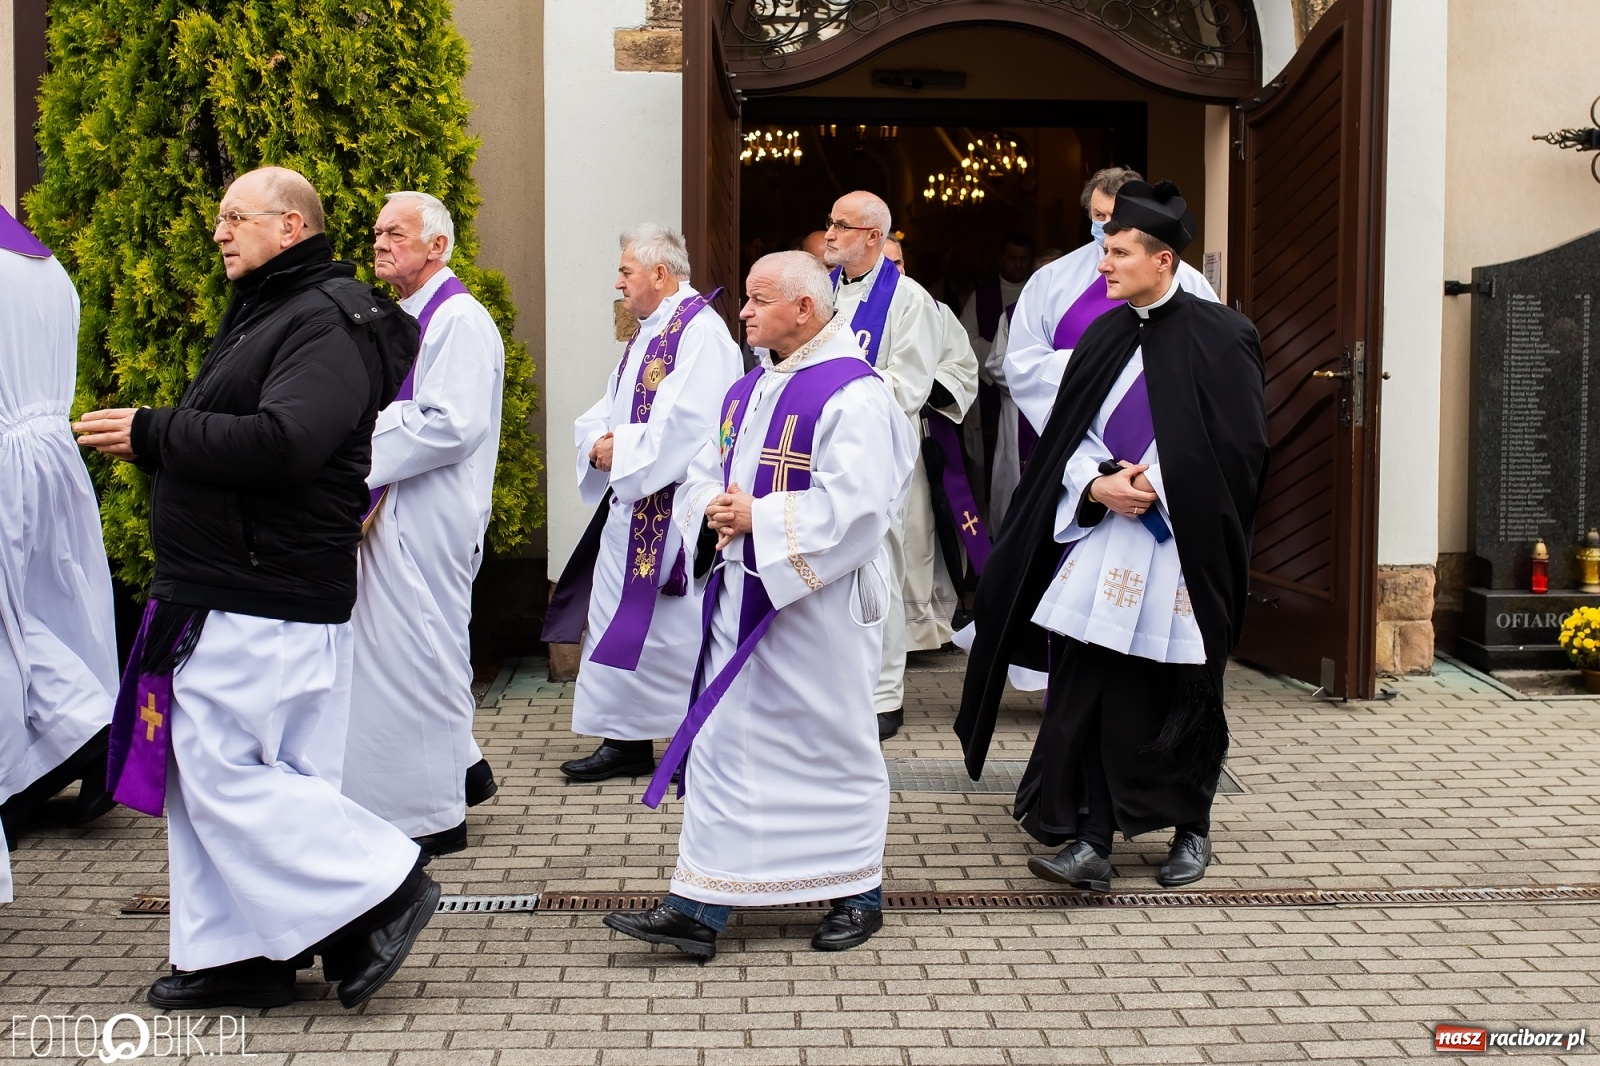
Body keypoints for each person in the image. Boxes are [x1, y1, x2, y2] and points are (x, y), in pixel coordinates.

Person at [74, 166, 439, 1010]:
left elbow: (288, 443)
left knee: (219, 770)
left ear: (291, 227)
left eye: (236, 216)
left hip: (260, 585)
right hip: (240, 579)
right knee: (241, 771)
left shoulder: (324, 321)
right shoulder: (278, 312)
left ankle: (383, 887)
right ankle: (242, 955)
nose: (219, 231)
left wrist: (153, 431)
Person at [603, 250, 917, 960]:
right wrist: (713, 509)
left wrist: (762, 520)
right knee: (722, 744)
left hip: (816, 611)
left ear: (803, 310)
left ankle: (856, 890)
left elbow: (862, 509)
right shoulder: (749, 390)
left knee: (829, 744)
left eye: (756, 300)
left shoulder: (855, 394)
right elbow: (706, 475)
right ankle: (700, 903)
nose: (741, 312)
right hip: (740, 592)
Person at [956, 180, 1267, 893]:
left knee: (1186, 684)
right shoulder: (1103, 334)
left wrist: (1156, 479)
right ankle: (1092, 840)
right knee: (1091, 683)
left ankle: (1192, 825)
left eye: (1120, 250)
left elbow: (1241, 442)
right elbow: (1068, 430)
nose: (1103, 261)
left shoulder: (1224, 334)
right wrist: (1096, 482)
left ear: (1162, 261)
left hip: (1183, 540)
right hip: (1110, 532)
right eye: (1105, 245)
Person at [545, 225, 742, 782]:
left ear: (660, 274)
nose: (618, 282)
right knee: (615, 619)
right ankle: (625, 739)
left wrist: (621, 450)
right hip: (632, 504)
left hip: (671, 508)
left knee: (673, 630)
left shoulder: (698, 332)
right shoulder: (650, 331)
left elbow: (689, 424)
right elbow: (609, 403)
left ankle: (691, 734)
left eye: (626, 271)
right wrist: (597, 441)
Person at [340, 192, 505, 858]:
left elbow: (450, 423)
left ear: (438, 246)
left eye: (397, 234)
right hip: (397, 505)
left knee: (427, 650)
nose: (380, 243)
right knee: (406, 650)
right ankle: (453, 772)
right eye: (378, 232)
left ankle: (436, 811)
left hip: (430, 511)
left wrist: (349, 444)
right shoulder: (400, 314)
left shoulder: (459, 320)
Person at [0, 200, 119, 896]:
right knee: (47, 611)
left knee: (12, 626)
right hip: (46, 453)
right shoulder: (43, 264)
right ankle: (87, 735)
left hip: (7, 451)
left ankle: (33, 769)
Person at [823, 191, 965, 740]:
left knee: (875, 569)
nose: (829, 234)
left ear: (873, 238)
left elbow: (908, 386)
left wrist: (832, 391)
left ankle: (884, 695)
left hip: (877, 454)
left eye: (842, 225)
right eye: (829, 223)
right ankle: (836, 688)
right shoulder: (820, 292)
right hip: (823, 455)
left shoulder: (909, 300)